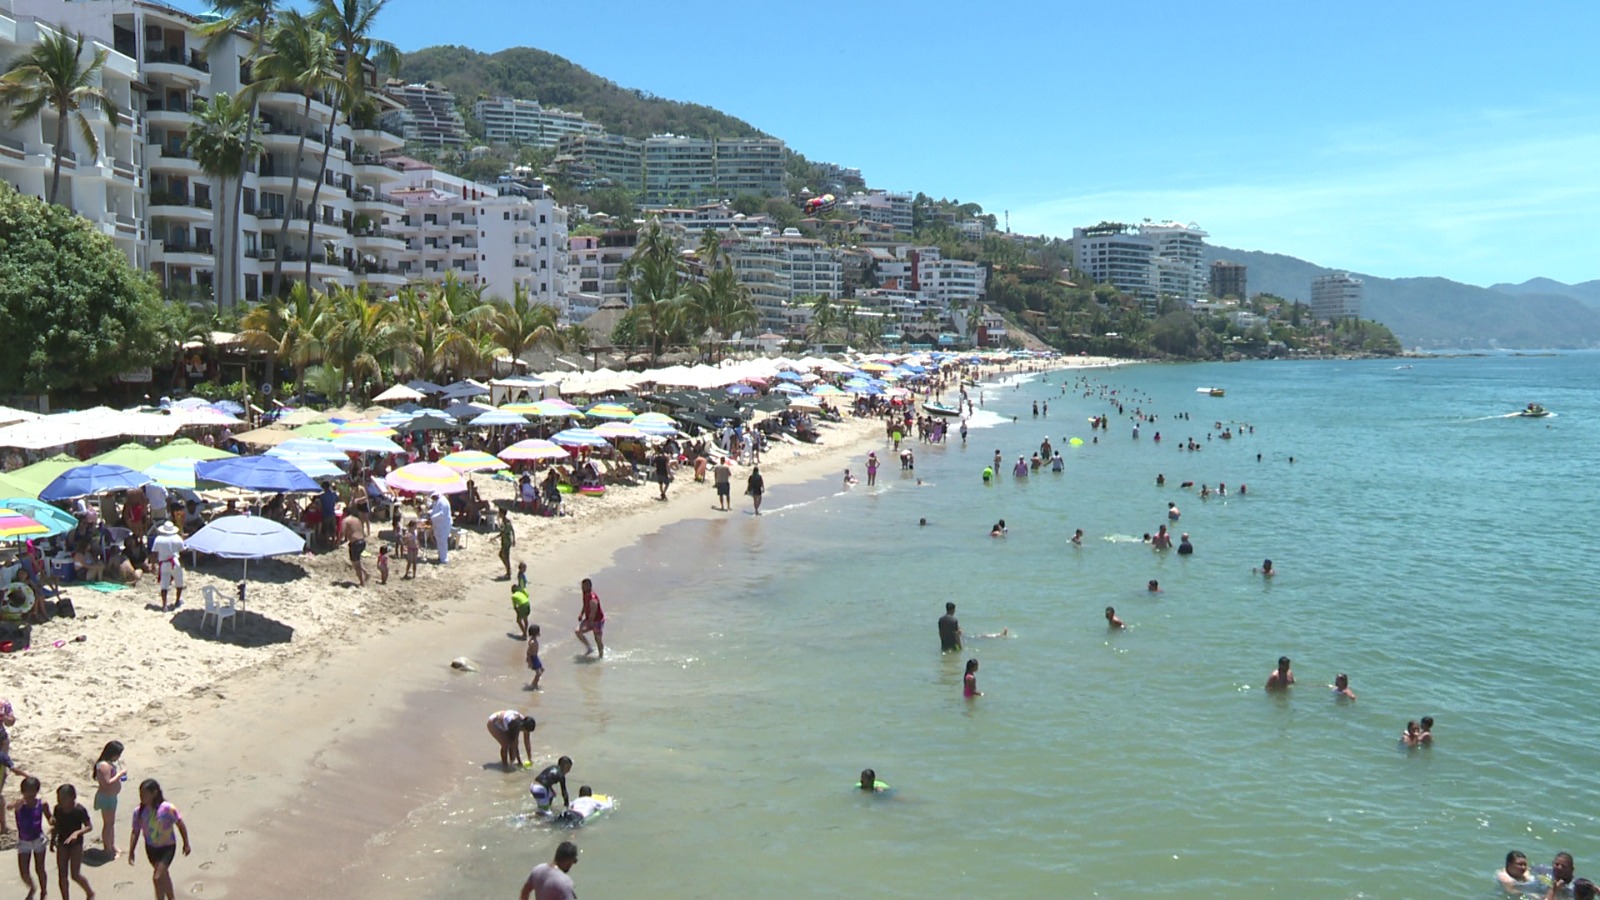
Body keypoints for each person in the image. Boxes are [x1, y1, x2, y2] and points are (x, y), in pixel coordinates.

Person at [127, 779, 189, 900]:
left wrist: (186, 843)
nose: (141, 797)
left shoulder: (167, 808)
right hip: (151, 848)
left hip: (167, 848)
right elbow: (135, 831)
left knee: (157, 877)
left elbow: (180, 824)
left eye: (144, 794)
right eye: (140, 794)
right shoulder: (138, 812)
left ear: (154, 793)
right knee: (163, 875)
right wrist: (131, 851)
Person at [51, 783, 93, 900]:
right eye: (58, 798)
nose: (60, 801)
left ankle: (89, 892)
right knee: (62, 875)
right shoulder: (57, 809)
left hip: (76, 845)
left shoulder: (79, 810)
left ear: (72, 798)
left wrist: (77, 833)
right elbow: (57, 826)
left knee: (75, 875)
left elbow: (89, 826)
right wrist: (52, 840)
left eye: (64, 799)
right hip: (62, 843)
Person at [14, 775, 50, 898]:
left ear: (36, 791)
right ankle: (32, 887)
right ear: (22, 791)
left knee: (40, 869)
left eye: (32, 790)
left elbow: (50, 819)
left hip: (38, 839)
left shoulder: (42, 803)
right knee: (23, 872)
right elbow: (9, 807)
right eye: (27, 791)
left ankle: (44, 891)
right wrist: (16, 805)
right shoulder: (19, 804)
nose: (29, 793)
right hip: (24, 841)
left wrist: (54, 822)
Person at [92, 740, 125, 858]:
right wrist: (119, 775)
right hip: (106, 798)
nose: (119, 757)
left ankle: (112, 845)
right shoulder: (104, 766)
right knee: (108, 824)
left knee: (111, 823)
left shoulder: (108, 763)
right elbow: (107, 783)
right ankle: (107, 849)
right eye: (118, 754)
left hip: (111, 797)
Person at [151, 521, 185, 611]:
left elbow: (154, 553)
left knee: (164, 584)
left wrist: (153, 565)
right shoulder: (177, 538)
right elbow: (183, 551)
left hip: (163, 562)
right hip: (175, 561)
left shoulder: (158, 539)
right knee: (179, 582)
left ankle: (164, 605)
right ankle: (177, 601)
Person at [575, 578, 605, 657]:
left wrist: (589, 624)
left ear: (589, 586)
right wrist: (581, 614)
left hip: (597, 620)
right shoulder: (585, 594)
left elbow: (593, 613)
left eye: (584, 586)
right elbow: (585, 605)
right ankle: (589, 648)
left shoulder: (593, 598)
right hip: (589, 618)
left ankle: (601, 655)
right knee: (578, 631)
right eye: (582, 586)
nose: (582, 588)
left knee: (597, 638)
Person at [341, 504, 369, 587]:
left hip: (355, 543)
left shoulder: (345, 520)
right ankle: (366, 573)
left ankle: (362, 582)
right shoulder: (357, 519)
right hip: (362, 541)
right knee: (356, 561)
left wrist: (337, 541)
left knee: (355, 564)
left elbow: (342, 532)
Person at [428, 493, 452, 565]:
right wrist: (430, 513)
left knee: (443, 542)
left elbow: (441, 514)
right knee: (439, 541)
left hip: (444, 525)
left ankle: (444, 559)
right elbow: (435, 510)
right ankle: (440, 556)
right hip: (439, 525)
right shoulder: (437, 501)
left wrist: (432, 518)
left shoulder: (443, 502)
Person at [526, 625, 544, 690]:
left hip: (536, 657)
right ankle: (533, 685)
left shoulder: (534, 640)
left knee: (542, 669)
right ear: (536, 633)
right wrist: (529, 662)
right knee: (538, 673)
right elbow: (528, 653)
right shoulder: (532, 642)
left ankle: (535, 683)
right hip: (533, 658)